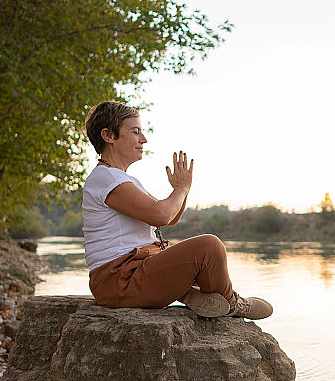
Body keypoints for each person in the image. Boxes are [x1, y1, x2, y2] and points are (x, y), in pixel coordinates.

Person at [81, 100, 272, 320]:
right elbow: (161, 214)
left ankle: (196, 295)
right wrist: (181, 189)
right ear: (108, 135)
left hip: (133, 273)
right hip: (119, 281)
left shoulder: (121, 178)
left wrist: (182, 190)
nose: (143, 139)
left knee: (205, 256)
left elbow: (168, 218)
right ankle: (232, 303)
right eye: (135, 132)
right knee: (209, 247)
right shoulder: (105, 178)